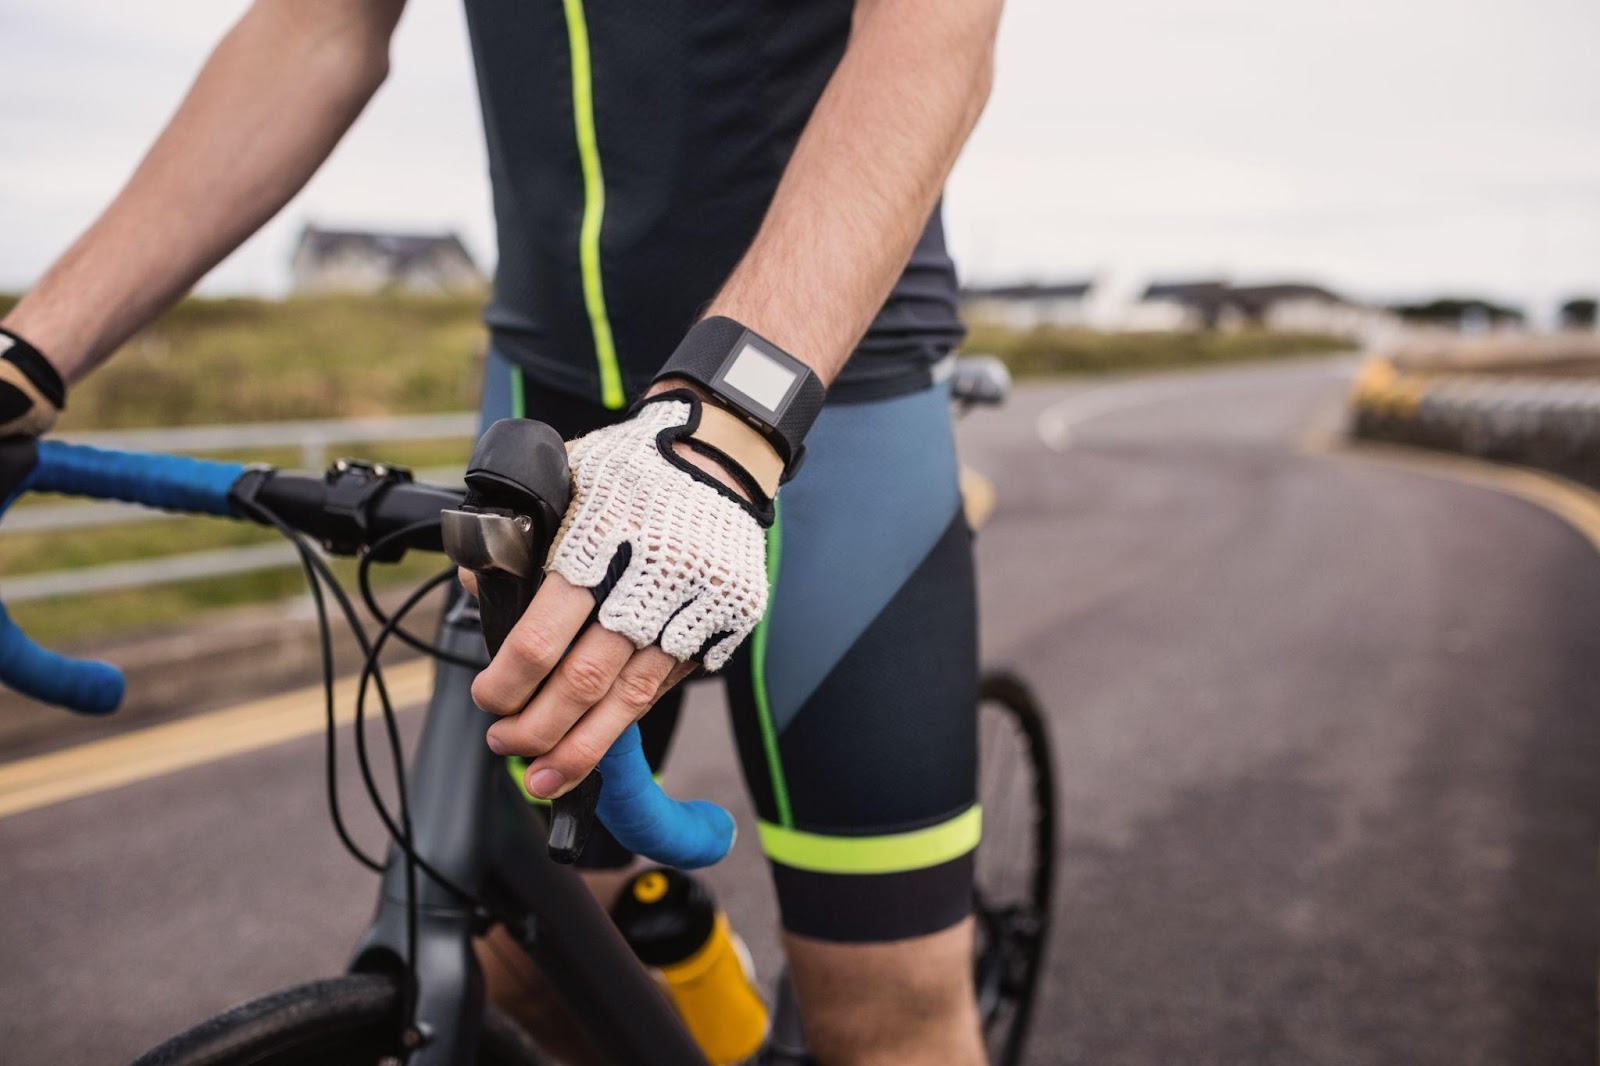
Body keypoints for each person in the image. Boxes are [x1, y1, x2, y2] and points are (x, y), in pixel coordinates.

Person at [0, 0, 1004, 1061]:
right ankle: (697, 977)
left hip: (820, 401)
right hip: (546, 402)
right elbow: (313, 29)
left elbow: (936, 41)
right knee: (513, 960)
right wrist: (22, 359)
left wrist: (733, 418)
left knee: (883, 1013)